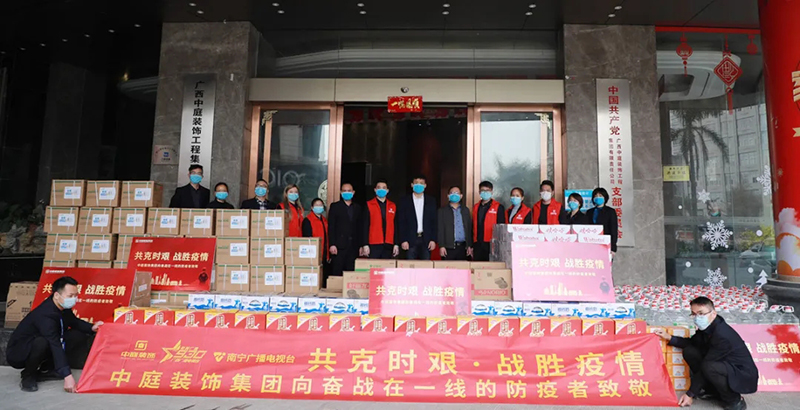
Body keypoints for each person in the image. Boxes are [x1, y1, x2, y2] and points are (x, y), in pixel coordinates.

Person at [654, 297, 757, 410]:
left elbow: (706, 365)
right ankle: (712, 391)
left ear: (713, 313)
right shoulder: (707, 328)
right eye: (694, 314)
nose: (697, 318)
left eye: (701, 313)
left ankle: (735, 400)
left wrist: (690, 394)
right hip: (722, 365)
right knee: (690, 351)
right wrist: (669, 337)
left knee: (709, 366)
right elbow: (692, 343)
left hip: (740, 373)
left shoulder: (722, 334)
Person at [6, 276, 104, 393]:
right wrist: (67, 376)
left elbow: (74, 322)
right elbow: (55, 343)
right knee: (42, 342)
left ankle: (48, 370)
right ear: (57, 295)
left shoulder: (62, 307)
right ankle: (28, 375)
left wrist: (92, 327)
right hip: (20, 352)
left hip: (46, 342)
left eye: (75, 295)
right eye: (70, 296)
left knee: (76, 335)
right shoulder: (45, 314)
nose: (74, 299)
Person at [396, 174, 437, 260]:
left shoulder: (431, 201)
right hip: (409, 240)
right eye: (416, 183)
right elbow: (401, 222)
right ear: (412, 185)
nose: (419, 185)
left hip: (426, 240)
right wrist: (403, 240)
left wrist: (433, 239)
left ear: (425, 185)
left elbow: (434, 221)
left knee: (425, 266)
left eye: (421, 183)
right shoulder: (404, 201)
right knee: (410, 266)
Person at [327, 183, 362, 276]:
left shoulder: (357, 208)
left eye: (349, 191)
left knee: (351, 273)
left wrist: (361, 245)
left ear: (353, 192)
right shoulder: (335, 206)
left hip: (353, 246)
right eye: (344, 191)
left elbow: (360, 228)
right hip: (339, 246)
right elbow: (331, 226)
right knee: (337, 272)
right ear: (341, 192)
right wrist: (332, 244)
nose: (347, 193)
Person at [361, 179, 399, 259]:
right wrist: (365, 244)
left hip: (388, 243)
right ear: (375, 190)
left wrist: (396, 244)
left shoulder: (392, 205)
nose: (381, 190)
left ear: (387, 190)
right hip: (374, 243)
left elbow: (396, 226)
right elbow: (365, 226)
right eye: (379, 187)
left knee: (387, 266)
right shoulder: (369, 204)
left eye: (384, 188)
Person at [472, 181, 505, 261]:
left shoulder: (498, 207)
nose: (485, 193)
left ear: (491, 192)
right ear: (479, 192)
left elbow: (501, 227)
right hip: (478, 243)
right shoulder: (476, 207)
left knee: (491, 266)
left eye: (487, 190)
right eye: (483, 190)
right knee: (478, 266)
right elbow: (473, 225)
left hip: (491, 243)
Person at [438, 186, 472, 260]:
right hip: (448, 248)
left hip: (463, 247)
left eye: (457, 193)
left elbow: (469, 228)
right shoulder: (442, 211)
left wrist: (469, 245)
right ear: (448, 196)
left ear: (461, 196)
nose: (454, 195)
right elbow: (440, 229)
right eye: (452, 193)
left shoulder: (465, 210)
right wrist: (441, 246)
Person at [303, 198, 330, 279]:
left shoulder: (324, 220)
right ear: (312, 207)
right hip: (314, 253)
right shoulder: (308, 220)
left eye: (320, 205)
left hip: (324, 252)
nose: (319, 207)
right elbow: (307, 239)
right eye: (316, 205)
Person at [586, 187, 619, 255]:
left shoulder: (610, 211)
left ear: (605, 198)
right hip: (592, 243)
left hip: (605, 244)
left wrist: (613, 248)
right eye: (596, 196)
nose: (598, 197)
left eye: (600, 196)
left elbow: (613, 230)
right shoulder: (589, 212)